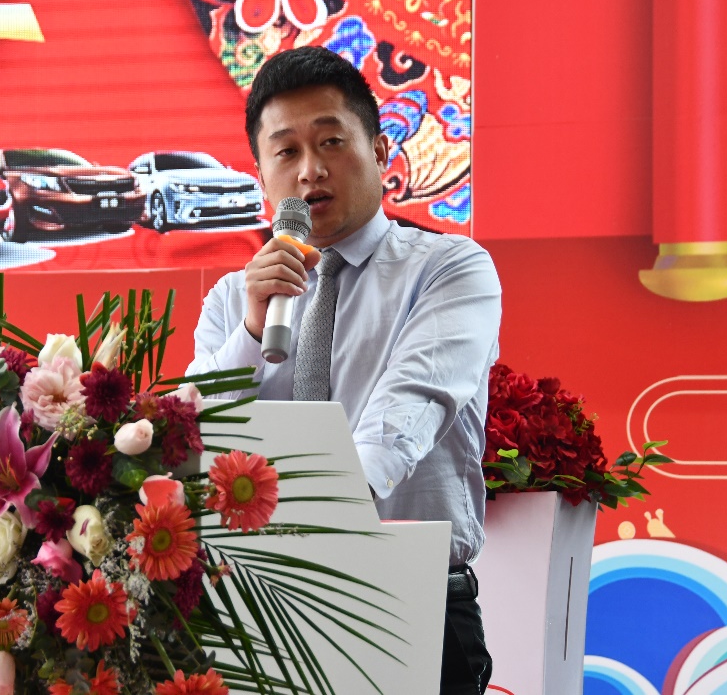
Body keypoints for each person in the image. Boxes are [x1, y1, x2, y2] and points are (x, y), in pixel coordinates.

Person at [187, 46, 501, 694]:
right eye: (286, 151)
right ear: (261, 177)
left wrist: (314, 531)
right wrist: (252, 330)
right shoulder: (231, 300)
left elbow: (404, 415)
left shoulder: (448, 269)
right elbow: (196, 436)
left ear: (380, 152)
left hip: (404, 598)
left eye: (330, 141)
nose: (310, 170)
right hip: (255, 604)